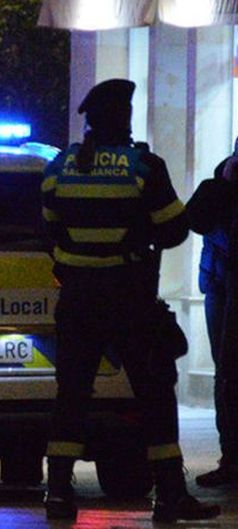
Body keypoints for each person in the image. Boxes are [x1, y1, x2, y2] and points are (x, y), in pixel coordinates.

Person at [41, 78, 220, 522]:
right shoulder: (143, 167)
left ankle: (59, 493)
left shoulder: (60, 167)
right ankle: (170, 495)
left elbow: (49, 228)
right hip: (129, 299)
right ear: (124, 119)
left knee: (72, 396)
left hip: (78, 299)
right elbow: (176, 229)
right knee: (155, 394)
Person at [187, 151, 238, 487]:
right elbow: (196, 220)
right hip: (221, 284)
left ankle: (232, 458)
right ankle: (231, 458)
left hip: (224, 282)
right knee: (227, 376)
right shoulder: (222, 176)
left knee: (229, 375)